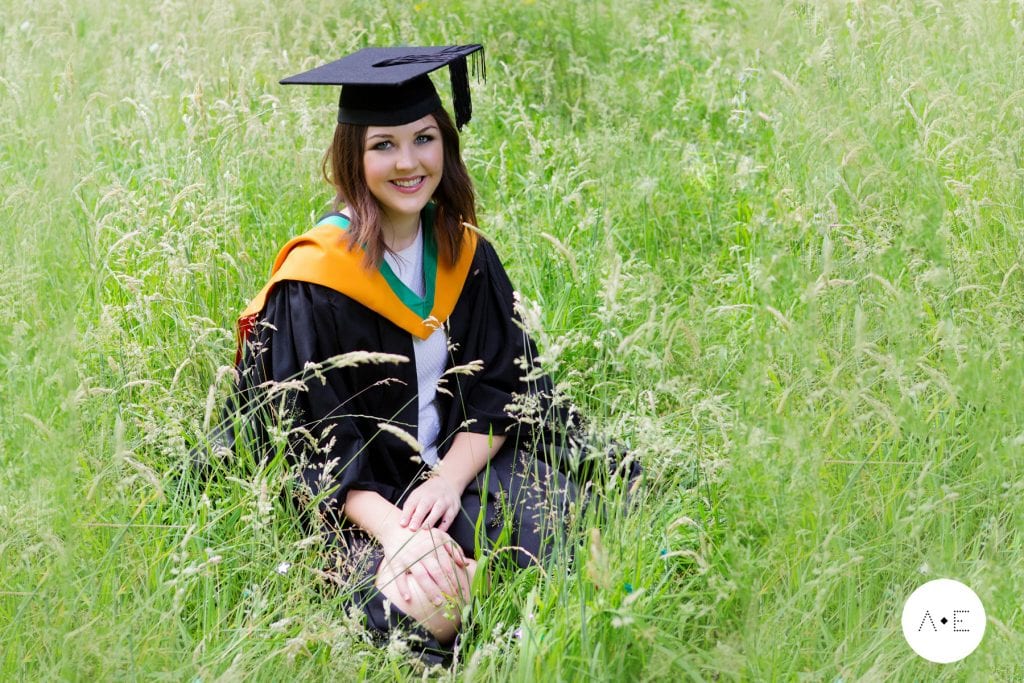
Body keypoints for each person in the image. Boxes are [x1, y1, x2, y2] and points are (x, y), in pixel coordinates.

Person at [224, 45, 584, 661]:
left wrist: (446, 482)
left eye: (423, 139)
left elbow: (508, 388)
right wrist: (399, 535)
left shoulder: (466, 255)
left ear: (445, 143)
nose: (409, 163)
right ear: (351, 159)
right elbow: (310, 445)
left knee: (583, 536)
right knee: (426, 611)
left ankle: (487, 589)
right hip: (358, 508)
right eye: (383, 146)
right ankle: (472, 594)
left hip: (453, 473)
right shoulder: (315, 280)